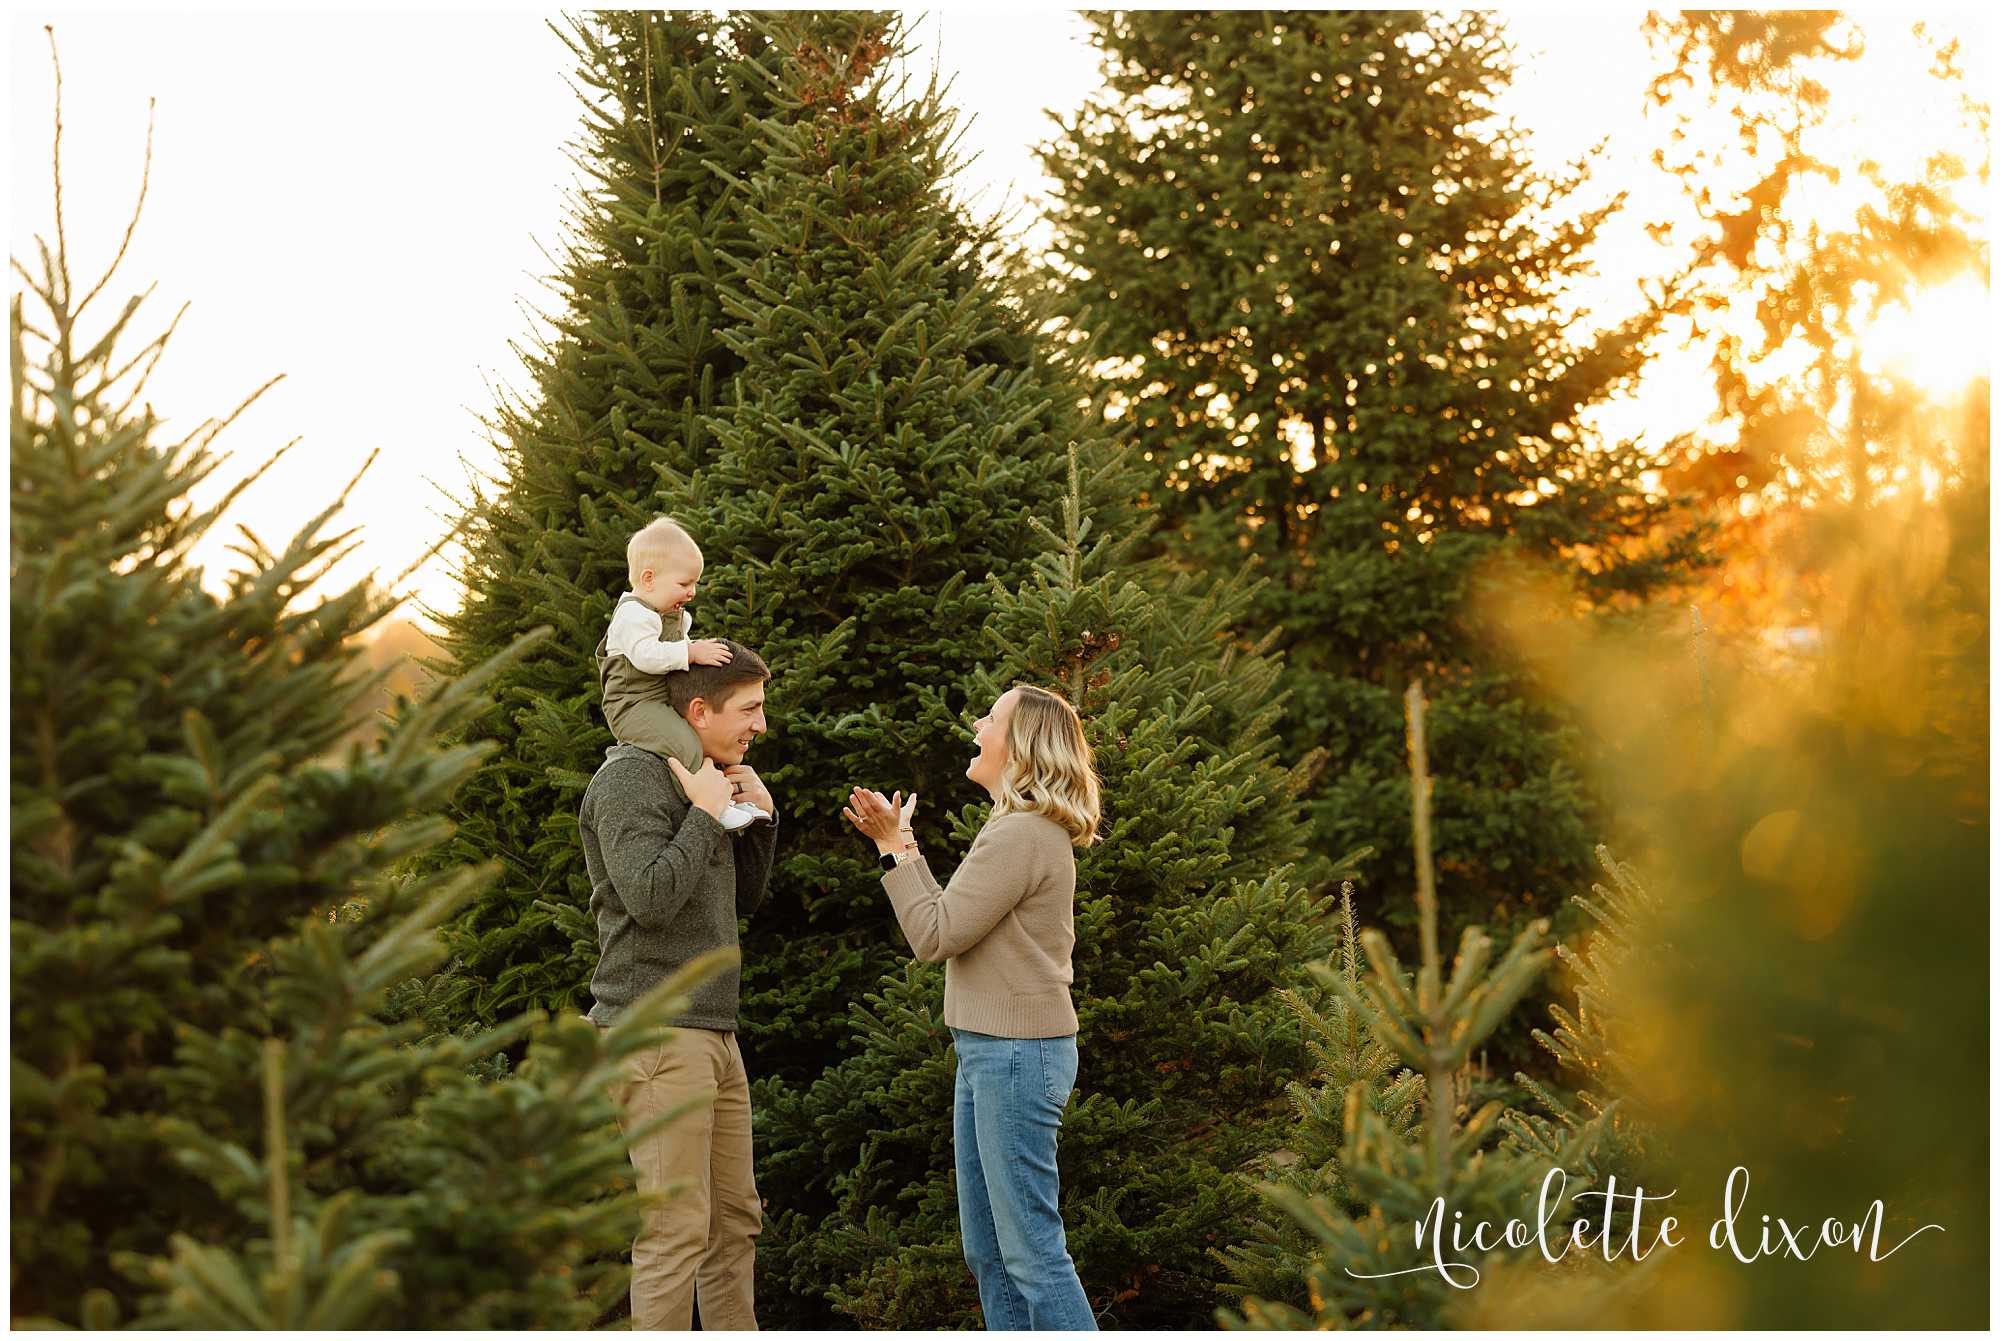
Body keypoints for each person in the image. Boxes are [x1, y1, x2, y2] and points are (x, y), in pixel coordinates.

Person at [843, 684, 1101, 1331]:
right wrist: (904, 848)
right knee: (990, 1250)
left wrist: (895, 851)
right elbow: (949, 922)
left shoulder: (1019, 833)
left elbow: (933, 936)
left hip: (1015, 1056)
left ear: (1019, 744)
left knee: (1032, 1252)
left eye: (990, 716)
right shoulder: (1019, 830)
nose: (977, 725)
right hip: (991, 1050)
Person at [581, 643, 779, 1330]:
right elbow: (649, 896)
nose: (760, 724)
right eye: (748, 709)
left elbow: (741, 900)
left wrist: (759, 820)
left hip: (713, 1030)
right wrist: (702, 811)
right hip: (656, 1028)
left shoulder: (706, 772)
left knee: (733, 1220)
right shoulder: (632, 779)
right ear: (698, 709)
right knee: (674, 1228)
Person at [597, 515, 769, 828]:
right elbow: (646, 656)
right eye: (683, 584)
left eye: (695, 584)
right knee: (684, 742)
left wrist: (695, 652)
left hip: (657, 699)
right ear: (648, 579)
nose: (691, 593)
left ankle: (728, 798)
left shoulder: (667, 614)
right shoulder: (633, 615)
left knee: (696, 739)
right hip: (632, 704)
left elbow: (678, 651)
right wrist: (690, 652)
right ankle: (714, 806)